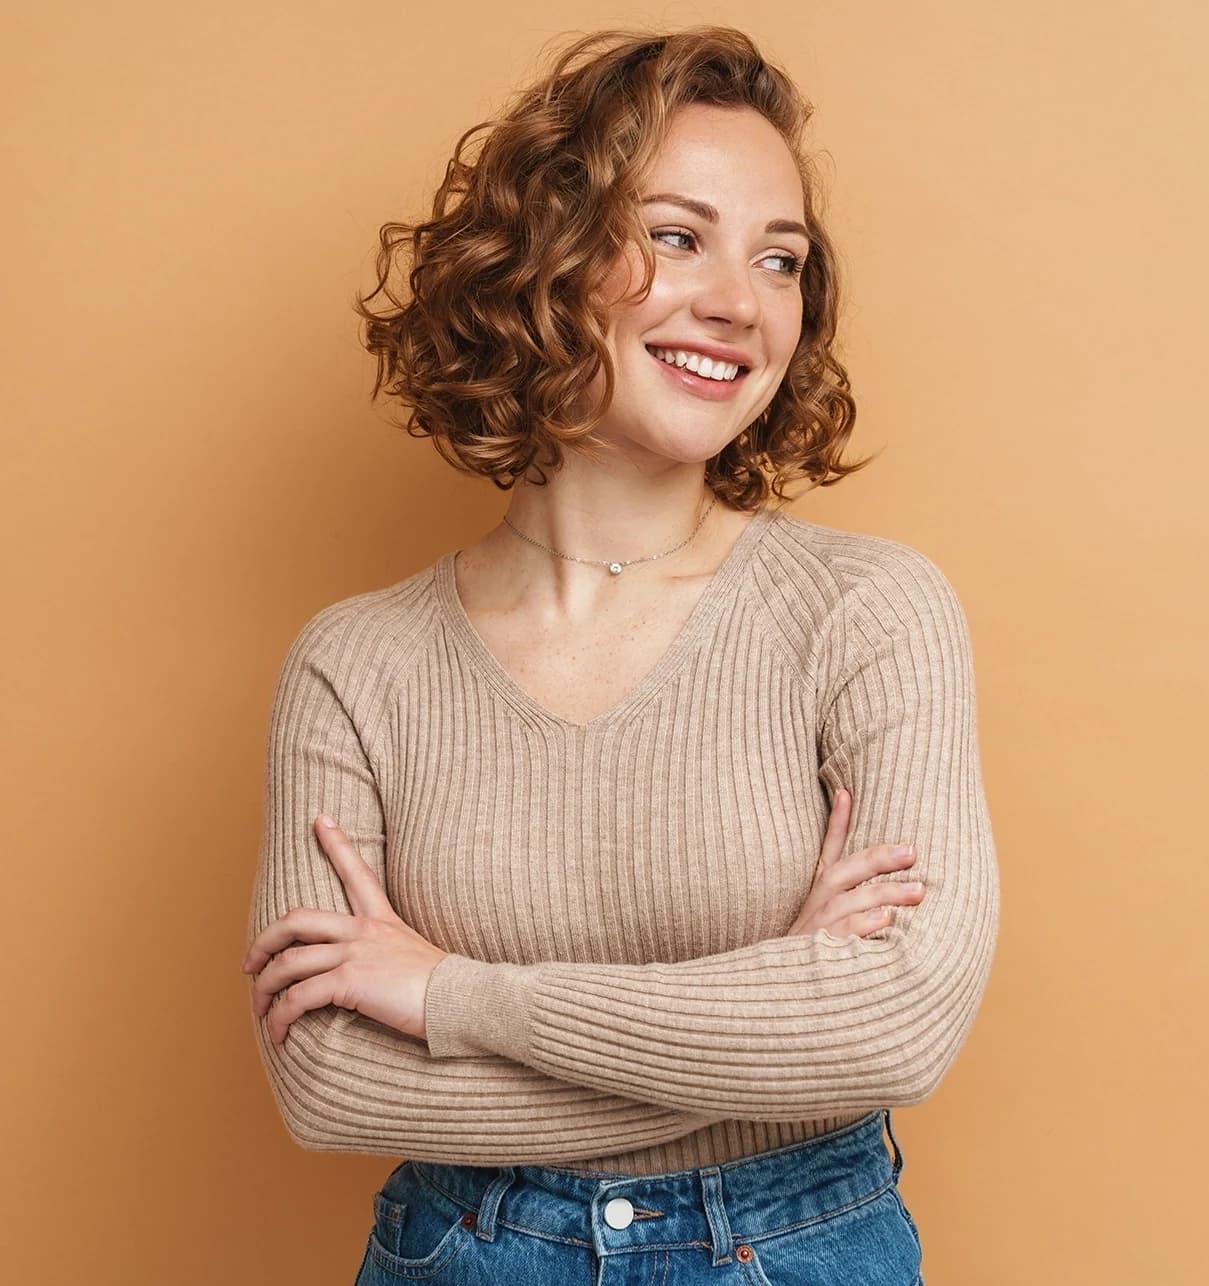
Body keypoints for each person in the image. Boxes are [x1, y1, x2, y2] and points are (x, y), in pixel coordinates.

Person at [237, 26, 998, 1285]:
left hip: (794, 1247)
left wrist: (454, 995)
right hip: (466, 1254)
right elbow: (329, 1080)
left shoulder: (868, 613)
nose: (741, 302)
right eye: (679, 236)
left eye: (780, 259)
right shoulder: (356, 667)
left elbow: (894, 1026)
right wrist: (770, 1004)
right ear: (544, 258)